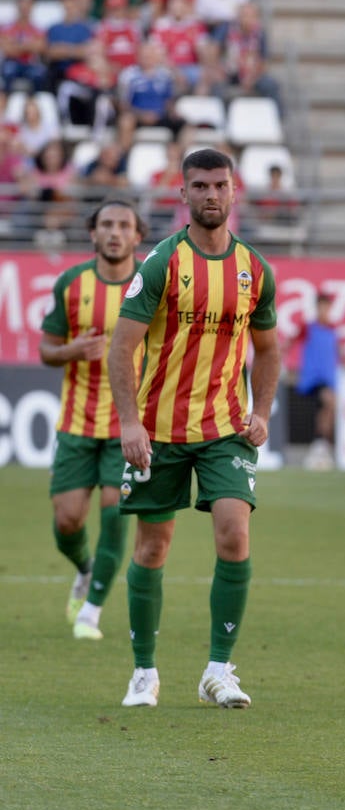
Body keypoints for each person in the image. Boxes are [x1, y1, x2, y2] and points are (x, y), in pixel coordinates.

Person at [107, 147, 280, 709]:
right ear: (182, 194)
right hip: (157, 432)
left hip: (226, 428)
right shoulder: (161, 263)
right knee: (153, 548)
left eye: (220, 186)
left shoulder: (254, 269)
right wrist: (130, 423)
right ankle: (143, 672)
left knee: (234, 533)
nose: (211, 195)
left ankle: (218, 670)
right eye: (200, 186)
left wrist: (263, 411)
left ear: (234, 192)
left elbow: (269, 350)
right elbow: (122, 349)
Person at [39, 198, 148, 640]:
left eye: (124, 225)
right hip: (76, 424)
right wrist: (71, 350)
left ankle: (92, 611)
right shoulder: (71, 283)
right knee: (67, 522)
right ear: (93, 233)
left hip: (126, 424)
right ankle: (84, 568)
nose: (115, 232)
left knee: (115, 513)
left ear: (138, 236)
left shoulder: (150, 283)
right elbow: (47, 349)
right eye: (107, 224)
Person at [294, 291, 344, 470]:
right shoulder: (308, 327)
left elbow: (339, 350)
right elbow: (289, 343)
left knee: (326, 412)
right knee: (329, 404)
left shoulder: (333, 329)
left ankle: (321, 445)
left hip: (329, 378)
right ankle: (321, 444)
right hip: (314, 378)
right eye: (321, 305)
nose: (324, 309)